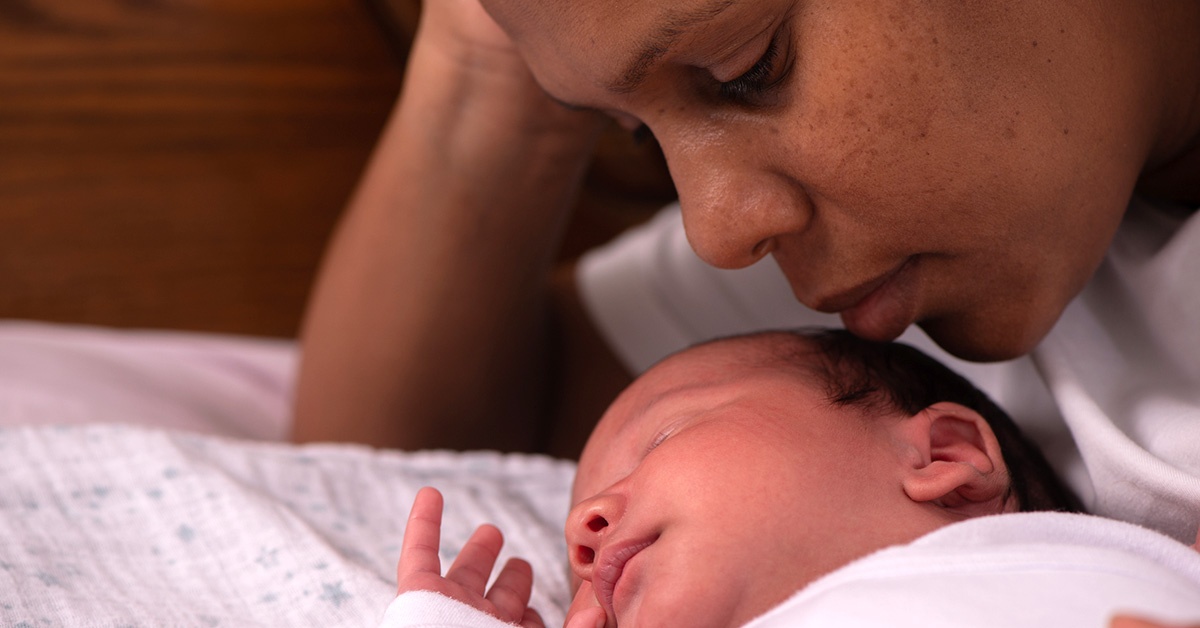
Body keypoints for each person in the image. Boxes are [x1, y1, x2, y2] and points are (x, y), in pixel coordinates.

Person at [291, 0, 1200, 542]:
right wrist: (484, 60)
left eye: (749, 69)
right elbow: (384, 466)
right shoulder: (949, 230)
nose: (716, 230)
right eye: (642, 134)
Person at [374, 330, 1199, 628]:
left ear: (941, 459)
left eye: (660, 437)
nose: (584, 529)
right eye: (574, 584)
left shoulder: (1114, 562)